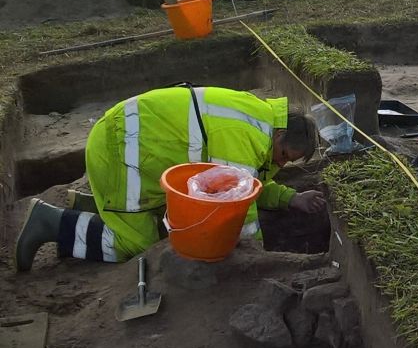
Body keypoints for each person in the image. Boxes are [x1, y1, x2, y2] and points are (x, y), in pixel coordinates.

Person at [16, 85, 325, 271]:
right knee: (136, 245)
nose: (281, 164)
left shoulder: (259, 123)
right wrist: (256, 257)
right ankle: (52, 223)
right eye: (284, 155)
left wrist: (292, 198)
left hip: (138, 149)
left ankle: (94, 206)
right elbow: (240, 208)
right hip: (122, 149)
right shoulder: (243, 136)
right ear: (281, 134)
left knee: (157, 223)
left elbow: (249, 183)